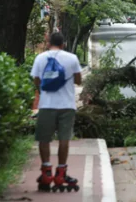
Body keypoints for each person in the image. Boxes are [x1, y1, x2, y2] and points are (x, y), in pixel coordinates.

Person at [31, 33, 82, 192]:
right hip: (67, 105)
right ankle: (61, 173)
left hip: (47, 105)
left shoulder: (40, 58)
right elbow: (79, 80)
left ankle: (46, 172)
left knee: (44, 139)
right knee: (64, 139)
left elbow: (36, 81)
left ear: (48, 43)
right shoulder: (72, 58)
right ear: (63, 44)